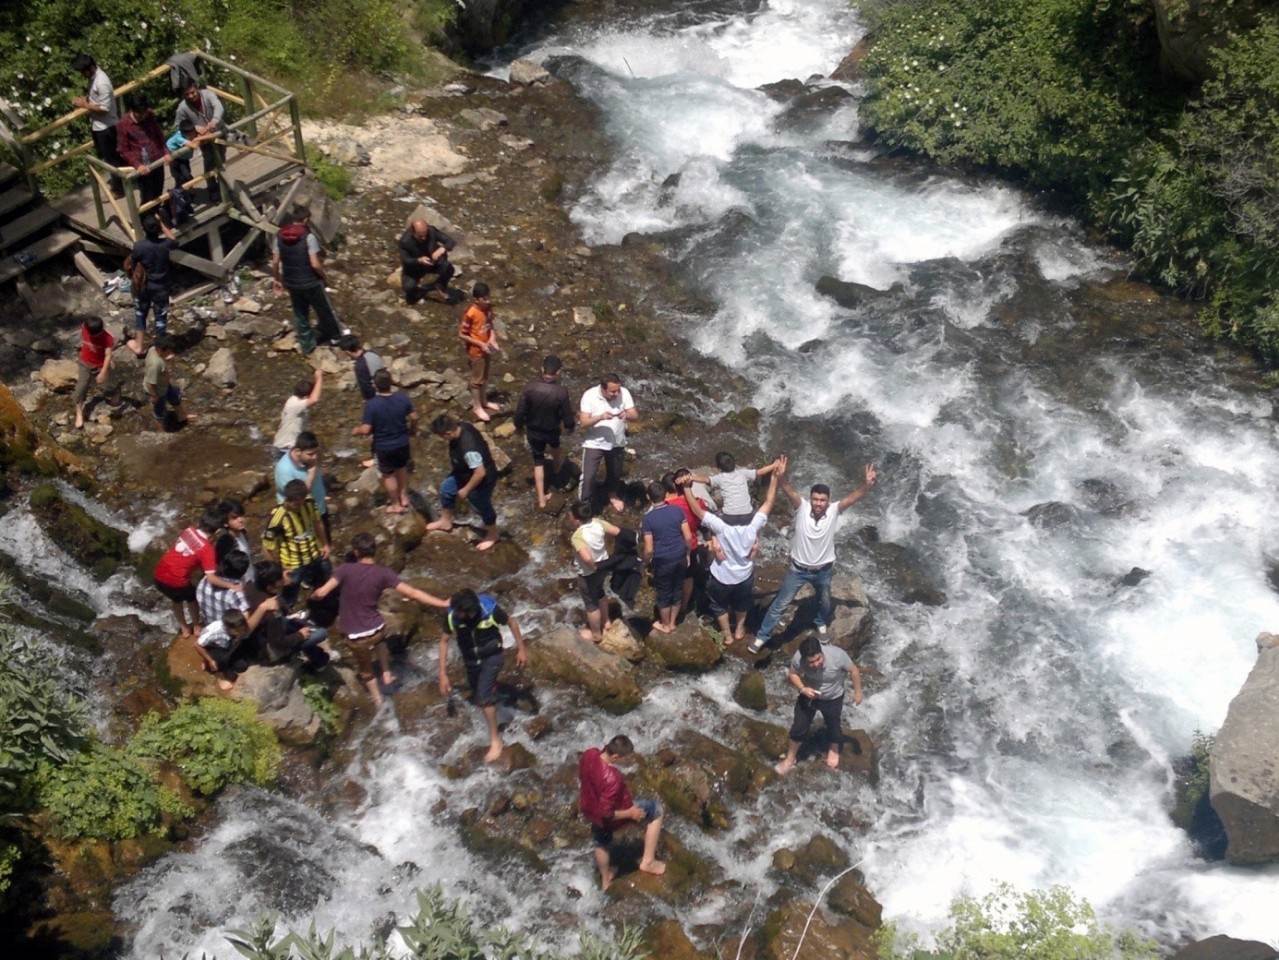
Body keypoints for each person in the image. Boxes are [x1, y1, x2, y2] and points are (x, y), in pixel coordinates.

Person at [746, 462, 877, 656]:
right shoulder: (802, 508)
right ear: (810, 498)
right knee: (780, 604)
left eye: (822, 500)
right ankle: (763, 636)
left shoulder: (834, 510)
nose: (818, 503)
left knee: (824, 602)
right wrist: (781, 478)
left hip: (823, 571)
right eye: (815, 499)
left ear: (828, 500)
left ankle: (820, 623)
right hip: (798, 570)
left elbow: (853, 498)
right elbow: (789, 490)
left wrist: (867, 485)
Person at [312, 532, 449, 705]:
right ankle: (386, 672)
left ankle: (377, 700)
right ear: (374, 551)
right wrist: (442, 603)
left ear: (355, 551)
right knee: (380, 640)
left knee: (366, 671)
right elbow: (413, 593)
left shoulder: (344, 569)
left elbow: (323, 592)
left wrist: (314, 596)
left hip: (355, 636)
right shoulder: (384, 573)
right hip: (377, 629)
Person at [684, 457, 784, 644]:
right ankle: (739, 629)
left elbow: (698, 511)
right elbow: (768, 503)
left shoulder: (721, 527)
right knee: (742, 603)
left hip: (721, 577)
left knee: (719, 605)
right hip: (744, 576)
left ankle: (727, 636)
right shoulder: (752, 528)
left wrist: (687, 488)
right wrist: (775, 478)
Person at [439, 588, 526, 763]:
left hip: (492, 657)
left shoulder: (489, 609)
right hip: (470, 660)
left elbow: (512, 623)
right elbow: (444, 641)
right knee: (478, 695)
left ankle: (495, 741)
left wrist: (521, 650)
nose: (457, 615)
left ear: (471, 612)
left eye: (460, 613)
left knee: (484, 697)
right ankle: (494, 704)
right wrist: (442, 674)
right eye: (455, 612)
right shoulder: (452, 615)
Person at [578, 735, 666, 890]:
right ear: (616, 757)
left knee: (601, 842)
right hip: (611, 814)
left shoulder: (589, 754)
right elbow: (607, 813)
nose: (628, 761)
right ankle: (648, 861)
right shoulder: (613, 779)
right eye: (626, 758)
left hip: (589, 807)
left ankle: (606, 880)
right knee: (656, 810)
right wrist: (630, 813)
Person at [775, 635, 864, 775]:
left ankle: (834, 748)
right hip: (809, 694)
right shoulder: (798, 658)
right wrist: (802, 689)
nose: (816, 664)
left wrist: (858, 692)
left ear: (822, 652)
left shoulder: (837, 655)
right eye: (811, 662)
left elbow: (854, 670)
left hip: (833, 697)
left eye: (818, 659)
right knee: (799, 726)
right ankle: (790, 759)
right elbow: (793, 674)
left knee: (833, 725)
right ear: (804, 659)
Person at [152, 507, 241, 637]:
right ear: (217, 531)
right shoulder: (207, 549)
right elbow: (211, 578)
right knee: (191, 598)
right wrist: (232, 585)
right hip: (177, 581)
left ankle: (184, 628)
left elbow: (189, 556)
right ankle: (196, 626)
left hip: (159, 574)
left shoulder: (188, 531)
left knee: (176, 600)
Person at [272, 207, 343, 355]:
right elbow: (315, 264)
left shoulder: (279, 236)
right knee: (325, 310)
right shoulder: (308, 237)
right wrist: (324, 277)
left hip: (291, 281)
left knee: (300, 313)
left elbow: (275, 262)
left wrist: (276, 279)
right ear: (306, 220)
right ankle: (336, 337)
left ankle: (306, 345)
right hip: (310, 281)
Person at [427, 415, 499, 552]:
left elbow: (480, 473)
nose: (443, 439)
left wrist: (465, 490)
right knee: (446, 489)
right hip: (463, 472)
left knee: (480, 505)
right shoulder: (461, 426)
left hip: (482, 479)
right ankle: (445, 521)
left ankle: (493, 534)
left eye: (442, 436)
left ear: (448, 433)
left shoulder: (468, 448)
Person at [352, 368, 417, 515]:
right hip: (402, 442)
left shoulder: (372, 404)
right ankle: (404, 496)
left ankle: (395, 504)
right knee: (401, 468)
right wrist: (412, 430)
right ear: (391, 382)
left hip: (384, 446)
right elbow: (414, 417)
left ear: (375, 385)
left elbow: (367, 429)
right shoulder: (402, 398)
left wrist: (356, 430)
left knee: (389, 475)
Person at [513, 355, 575, 509]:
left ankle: (541, 498)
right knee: (555, 447)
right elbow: (567, 415)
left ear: (542, 369)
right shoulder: (561, 392)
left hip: (534, 431)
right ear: (559, 372)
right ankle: (556, 467)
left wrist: (519, 427)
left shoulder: (529, 388)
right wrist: (570, 426)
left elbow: (520, 412)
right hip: (552, 430)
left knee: (538, 461)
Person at [244, 560, 328, 668]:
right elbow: (279, 643)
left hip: (256, 639)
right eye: (280, 579)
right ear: (270, 587)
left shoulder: (250, 586)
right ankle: (317, 660)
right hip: (268, 651)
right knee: (320, 633)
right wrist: (300, 635)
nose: (283, 581)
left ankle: (319, 659)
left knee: (293, 623)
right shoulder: (272, 610)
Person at [263, 478, 331, 606]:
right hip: (293, 564)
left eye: (302, 502)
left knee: (323, 584)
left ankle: (319, 608)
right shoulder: (277, 518)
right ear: (288, 500)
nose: (300, 506)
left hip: (315, 554)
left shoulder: (309, 502)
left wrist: (325, 544)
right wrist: (279, 572)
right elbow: (267, 548)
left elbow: (317, 522)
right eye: (296, 504)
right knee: (289, 597)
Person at [640, 481, 692, 635]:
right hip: (680, 554)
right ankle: (673, 622)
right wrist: (687, 554)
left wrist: (645, 562)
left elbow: (649, 549)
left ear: (648, 497)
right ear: (665, 495)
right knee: (677, 588)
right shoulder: (677, 511)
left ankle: (665, 624)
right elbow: (688, 537)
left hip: (662, 559)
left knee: (664, 592)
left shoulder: (648, 519)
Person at [579, 374, 637, 511]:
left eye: (618, 390)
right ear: (603, 389)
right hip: (594, 442)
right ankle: (583, 505)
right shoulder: (589, 395)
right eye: (612, 391)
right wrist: (600, 417)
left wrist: (628, 415)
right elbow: (583, 422)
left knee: (615, 473)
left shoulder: (624, 393)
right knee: (588, 477)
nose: (616, 394)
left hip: (617, 442)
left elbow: (635, 415)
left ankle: (612, 494)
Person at [125, 215, 179, 358]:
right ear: (158, 229)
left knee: (141, 314)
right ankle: (162, 351)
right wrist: (162, 224)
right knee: (161, 318)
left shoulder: (139, 246)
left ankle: (139, 346)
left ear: (144, 230)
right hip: (161, 287)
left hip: (144, 288)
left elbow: (133, 262)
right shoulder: (165, 245)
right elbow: (175, 241)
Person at [570, 499, 623, 643]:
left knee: (591, 605)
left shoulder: (577, 536)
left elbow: (586, 558)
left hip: (588, 573)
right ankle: (606, 622)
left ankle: (596, 635)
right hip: (604, 565)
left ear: (576, 519)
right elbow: (616, 531)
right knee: (600, 592)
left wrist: (593, 567)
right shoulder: (598, 522)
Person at [71, 53, 122, 196]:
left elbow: (104, 109)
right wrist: (87, 100)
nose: (82, 75)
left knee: (112, 160)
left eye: (83, 72)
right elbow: (96, 98)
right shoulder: (93, 79)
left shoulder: (102, 82)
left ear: (91, 68)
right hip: (98, 126)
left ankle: (118, 189)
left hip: (107, 127)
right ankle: (122, 182)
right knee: (109, 158)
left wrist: (84, 105)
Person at [663, 468, 711, 619]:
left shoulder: (664, 506)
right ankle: (684, 606)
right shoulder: (697, 503)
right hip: (691, 545)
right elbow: (704, 523)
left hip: (669, 547)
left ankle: (669, 605)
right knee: (688, 577)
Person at [173, 79, 225, 202]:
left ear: (196, 87)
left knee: (222, 160)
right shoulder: (182, 108)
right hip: (203, 139)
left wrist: (215, 120)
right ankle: (213, 189)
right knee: (209, 162)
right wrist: (194, 128)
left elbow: (218, 106)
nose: (191, 96)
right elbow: (177, 125)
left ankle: (224, 185)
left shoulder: (208, 94)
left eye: (193, 92)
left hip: (218, 132)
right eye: (187, 94)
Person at [695, 452, 781, 526]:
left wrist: (691, 478)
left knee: (712, 518)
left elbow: (705, 479)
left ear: (719, 468)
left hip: (729, 516)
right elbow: (760, 472)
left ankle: (713, 540)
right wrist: (774, 465)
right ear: (734, 464)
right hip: (748, 515)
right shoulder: (743, 473)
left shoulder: (719, 478)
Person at [115, 92, 171, 205]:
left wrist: (166, 151)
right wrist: (137, 165)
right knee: (147, 196)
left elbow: (159, 134)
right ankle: (147, 219)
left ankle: (156, 215)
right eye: (139, 114)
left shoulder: (150, 115)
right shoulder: (123, 124)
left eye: (144, 113)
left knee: (158, 192)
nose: (143, 116)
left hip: (157, 160)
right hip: (142, 166)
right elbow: (123, 150)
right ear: (132, 110)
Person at [274, 431, 330, 541]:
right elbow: (298, 496)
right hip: (299, 515)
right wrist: (312, 472)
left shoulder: (311, 458)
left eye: (316, 453)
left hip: (319, 508)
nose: (315, 457)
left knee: (326, 544)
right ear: (298, 451)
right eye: (310, 454)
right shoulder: (284, 469)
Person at [458, 282, 502, 422]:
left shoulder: (488, 308)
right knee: (477, 380)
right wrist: (480, 343)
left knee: (485, 376)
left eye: (488, 298)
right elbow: (462, 334)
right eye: (484, 299)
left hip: (486, 348)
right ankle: (477, 407)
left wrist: (492, 339)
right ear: (477, 299)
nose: (487, 301)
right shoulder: (471, 313)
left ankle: (484, 401)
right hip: (476, 351)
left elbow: (490, 325)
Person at [398, 217, 456, 303]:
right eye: (420, 236)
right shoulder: (405, 241)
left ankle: (440, 286)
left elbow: (450, 241)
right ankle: (419, 292)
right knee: (408, 287)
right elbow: (405, 260)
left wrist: (443, 249)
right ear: (413, 232)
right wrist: (418, 260)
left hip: (433, 262)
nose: (424, 238)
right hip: (415, 267)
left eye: (425, 234)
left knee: (449, 269)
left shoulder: (431, 231)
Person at [272, 367, 323, 461]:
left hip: (291, 446)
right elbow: (314, 399)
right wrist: (319, 378)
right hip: (285, 448)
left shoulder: (297, 402)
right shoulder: (294, 404)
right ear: (307, 396)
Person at [72, 315, 114, 430]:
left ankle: (113, 395)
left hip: (100, 365)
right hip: (85, 363)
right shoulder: (84, 328)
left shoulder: (107, 338)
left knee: (108, 387)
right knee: (80, 388)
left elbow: (108, 355)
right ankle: (79, 415)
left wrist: (103, 372)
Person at [195, 608, 251, 691]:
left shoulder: (242, 628)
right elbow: (197, 644)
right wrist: (210, 660)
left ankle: (226, 662)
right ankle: (219, 676)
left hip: (228, 645)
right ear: (227, 628)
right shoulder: (215, 630)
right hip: (213, 647)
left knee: (242, 666)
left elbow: (242, 637)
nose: (240, 632)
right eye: (237, 631)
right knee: (222, 660)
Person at [143, 334, 189, 429]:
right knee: (160, 412)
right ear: (160, 350)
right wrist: (154, 396)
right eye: (168, 351)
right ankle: (161, 431)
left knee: (175, 397)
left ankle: (182, 416)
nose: (170, 352)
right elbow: (150, 383)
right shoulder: (155, 365)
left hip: (164, 384)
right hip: (158, 391)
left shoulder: (153, 349)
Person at [195, 549, 252, 626]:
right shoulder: (236, 593)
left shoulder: (205, 580)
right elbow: (244, 623)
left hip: (210, 626)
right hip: (228, 632)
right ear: (244, 572)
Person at [215, 498, 255, 585]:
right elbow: (219, 567)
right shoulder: (226, 542)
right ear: (225, 523)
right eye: (234, 518)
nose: (241, 520)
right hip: (239, 583)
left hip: (250, 577)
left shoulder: (243, 532)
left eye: (241, 515)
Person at [338, 333, 384, 402]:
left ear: (348, 352)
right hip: (384, 389)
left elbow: (366, 388)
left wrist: (369, 402)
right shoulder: (372, 353)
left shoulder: (360, 366)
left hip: (376, 398)